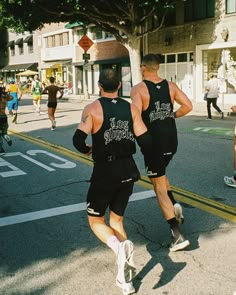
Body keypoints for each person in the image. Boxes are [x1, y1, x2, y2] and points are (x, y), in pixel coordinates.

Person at [73, 69, 153, 295]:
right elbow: (145, 140)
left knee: (96, 220)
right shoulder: (131, 107)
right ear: (119, 85)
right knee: (117, 221)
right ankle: (125, 279)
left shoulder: (92, 109)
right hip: (128, 169)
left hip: (105, 172)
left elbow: (78, 140)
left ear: (99, 86)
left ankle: (119, 250)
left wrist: (89, 148)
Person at [130, 53, 193, 252]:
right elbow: (188, 106)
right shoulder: (171, 86)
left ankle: (177, 235)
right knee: (160, 175)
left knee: (157, 186)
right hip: (171, 141)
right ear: (157, 67)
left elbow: (135, 117)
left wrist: (141, 140)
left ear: (143, 68)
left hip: (153, 144)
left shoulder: (139, 89)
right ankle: (174, 205)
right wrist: (171, 115)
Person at [0, 78, 13, 155]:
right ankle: (7, 138)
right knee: (4, 132)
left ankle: (1, 149)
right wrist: (5, 93)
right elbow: (12, 97)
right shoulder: (4, 98)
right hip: (4, 116)